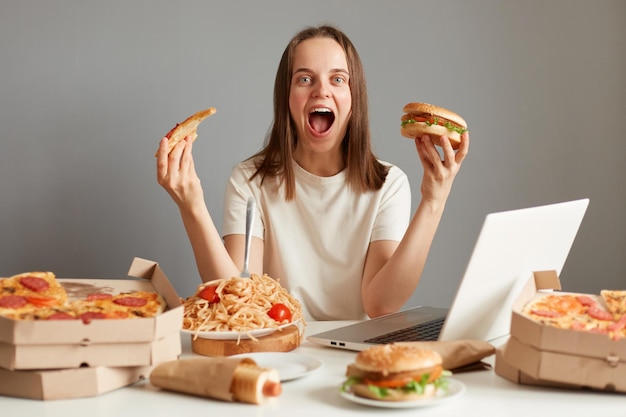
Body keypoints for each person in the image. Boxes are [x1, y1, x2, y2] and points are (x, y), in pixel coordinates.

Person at [156, 24, 469, 321]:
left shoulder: (389, 184)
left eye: (337, 79)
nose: (322, 91)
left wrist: (434, 201)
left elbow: (380, 303)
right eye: (305, 79)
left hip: (352, 358)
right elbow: (239, 296)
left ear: (353, 99)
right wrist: (192, 206)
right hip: (275, 351)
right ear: (287, 98)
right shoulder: (250, 181)